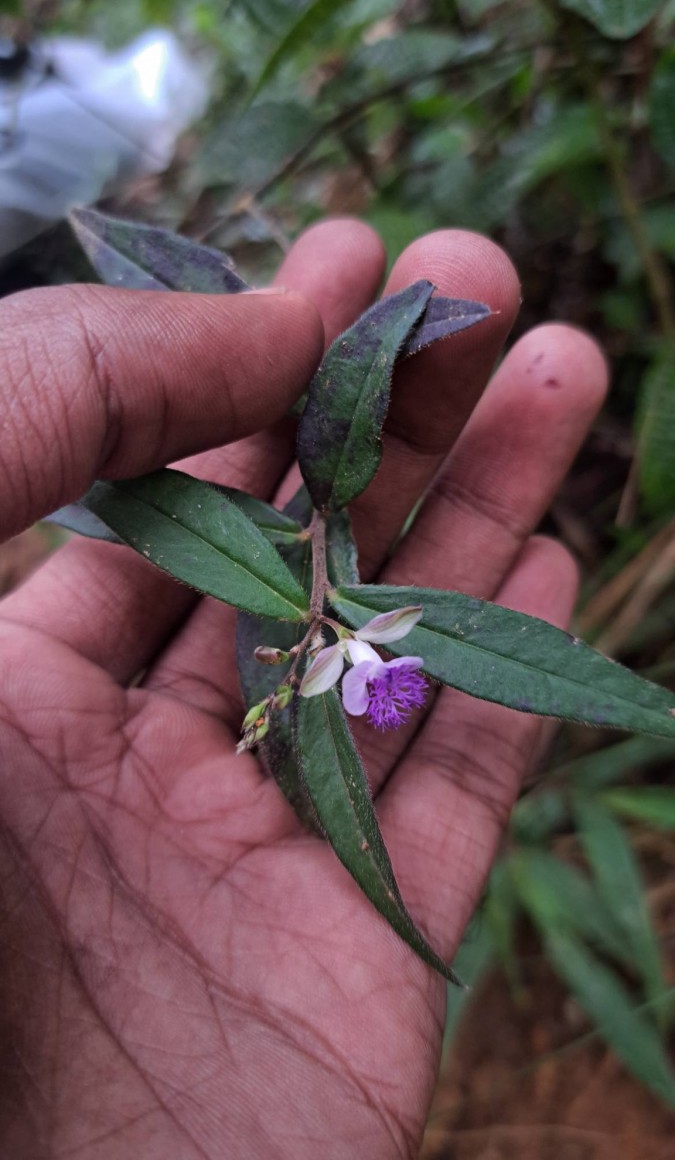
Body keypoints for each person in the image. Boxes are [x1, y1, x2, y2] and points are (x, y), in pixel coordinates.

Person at [0, 220, 606, 1158]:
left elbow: (367, 623)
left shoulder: (361, 638)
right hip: (327, 619)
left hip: (333, 611)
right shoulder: (338, 654)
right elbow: (351, 634)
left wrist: (329, 618)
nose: (376, 680)